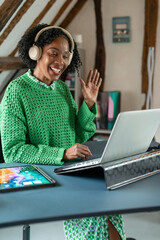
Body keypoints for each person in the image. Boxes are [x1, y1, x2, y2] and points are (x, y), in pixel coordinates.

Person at [0, 24, 126, 240]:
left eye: (66, 56)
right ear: (35, 52)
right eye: (54, 53)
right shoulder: (16, 91)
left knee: (109, 200)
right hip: (40, 174)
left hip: (67, 170)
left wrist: (88, 103)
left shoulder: (60, 89)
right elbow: (13, 152)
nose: (61, 62)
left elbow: (77, 136)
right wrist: (62, 154)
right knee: (93, 208)